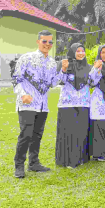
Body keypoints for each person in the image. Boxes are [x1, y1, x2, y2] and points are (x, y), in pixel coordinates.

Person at [11, 30, 65, 178]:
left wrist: (62, 71)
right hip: (27, 104)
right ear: (38, 42)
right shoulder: (26, 58)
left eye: (50, 42)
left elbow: (53, 83)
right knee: (26, 134)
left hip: (43, 105)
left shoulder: (52, 62)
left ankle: (34, 163)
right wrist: (23, 95)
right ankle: (19, 165)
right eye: (44, 41)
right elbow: (16, 78)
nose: (47, 44)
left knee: (37, 135)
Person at [55, 43, 101, 169]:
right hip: (67, 103)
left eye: (83, 51)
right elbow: (60, 81)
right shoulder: (65, 64)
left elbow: (93, 82)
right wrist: (63, 69)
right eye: (78, 51)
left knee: (81, 131)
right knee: (69, 131)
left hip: (84, 103)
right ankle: (67, 159)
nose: (81, 53)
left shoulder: (89, 66)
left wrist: (96, 70)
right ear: (73, 52)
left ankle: (81, 157)